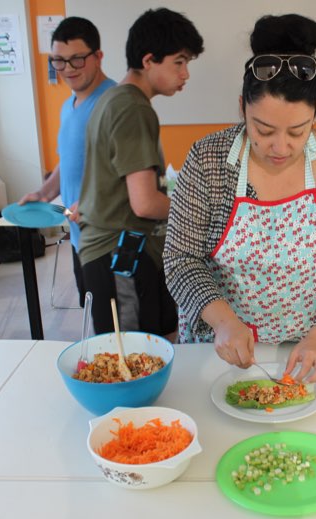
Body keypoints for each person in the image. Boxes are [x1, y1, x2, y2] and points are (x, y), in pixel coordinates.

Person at [164, 14, 316, 384]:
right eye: (263, 129)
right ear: (242, 106)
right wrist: (224, 321)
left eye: (298, 130)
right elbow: (180, 259)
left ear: (314, 113)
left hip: (307, 356)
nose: (281, 147)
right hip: (218, 350)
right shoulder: (208, 160)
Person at [77, 8, 203, 338]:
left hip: (117, 251)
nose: (185, 74)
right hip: (120, 256)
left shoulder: (111, 99)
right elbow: (145, 203)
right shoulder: (133, 108)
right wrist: (201, 211)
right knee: (136, 358)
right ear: (148, 60)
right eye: (179, 62)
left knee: (150, 347)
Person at [18, 17, 116, 307]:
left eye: (77, 60)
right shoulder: (68, 105)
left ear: (98, 57)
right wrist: (45, 192)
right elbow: (69, 161)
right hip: (78, 236)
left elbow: (128, 172)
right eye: (59, 61)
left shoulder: (113, 103)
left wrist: (93, 203)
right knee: (92, 314)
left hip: (107, 241)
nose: (68, 70)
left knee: (113, 329)